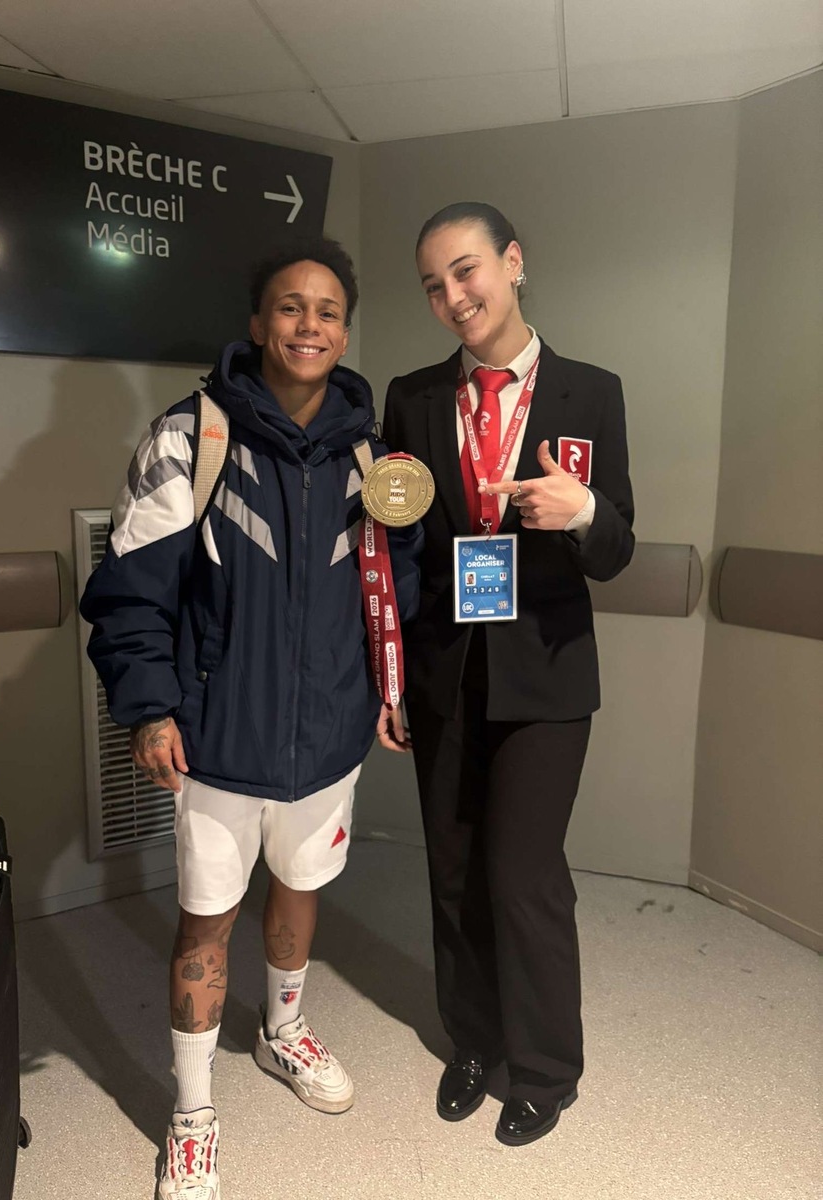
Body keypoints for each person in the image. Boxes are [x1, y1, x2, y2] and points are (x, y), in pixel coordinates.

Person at [80, 236, 421, 1200]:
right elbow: (132, 591)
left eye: (327, 310)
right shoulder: (190, 439)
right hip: (218, 739)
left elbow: (397, 588)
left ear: (345, 331)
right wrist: (151, 708)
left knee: (302, 888)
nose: (309, 324)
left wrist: (393, 688)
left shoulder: (374, 456)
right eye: (290, 306)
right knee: (206, 920)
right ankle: (192, 1112)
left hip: (332, 735)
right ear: (258, 323)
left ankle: (282, 1030)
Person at [382, 202, 634, 1147]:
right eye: (433, 285)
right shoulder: (412, 398)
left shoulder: (591, 392)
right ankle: (474, 1042)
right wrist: (391, 677)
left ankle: (545, 1068)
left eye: (467, 270)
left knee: (522, 874)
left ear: (513, 262)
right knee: (451, 869)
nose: (453, 296)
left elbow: (618, 549)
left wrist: (583, 512)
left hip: (547, 675)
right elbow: (398, 552)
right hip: (446, 669)